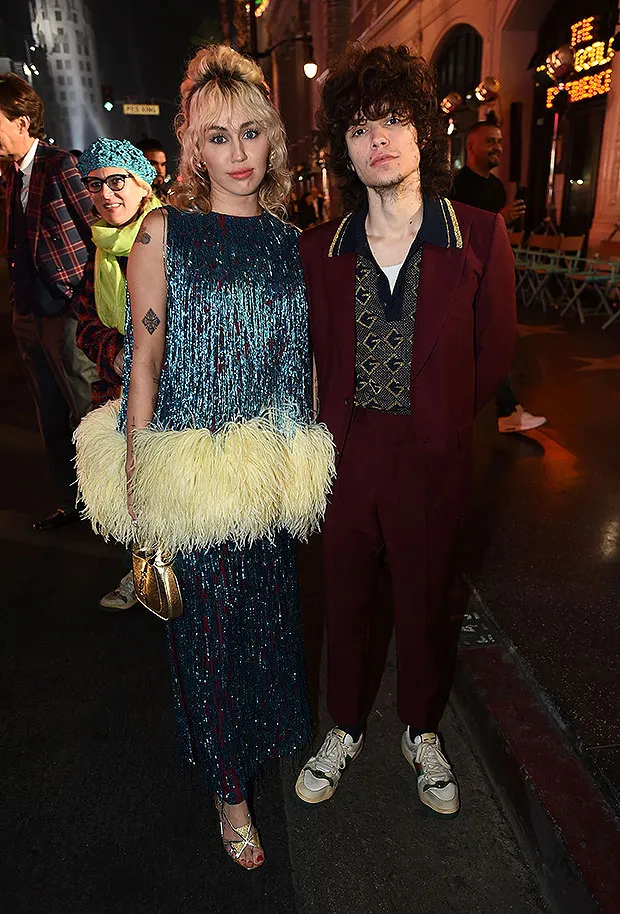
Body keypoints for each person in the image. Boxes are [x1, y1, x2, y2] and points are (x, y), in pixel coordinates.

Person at [74, 45, 335, 869]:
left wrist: (306, 458)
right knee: (211, 642)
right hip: (191, 475)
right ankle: (230, 795)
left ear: (272, 139)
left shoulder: (293, 243)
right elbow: (144, 362)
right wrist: (139, 486)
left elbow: (304, 361)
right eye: (218, 137)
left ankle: (250, 755)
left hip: (265, 475)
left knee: (264, 635)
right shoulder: (164, 233)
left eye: (250, 132)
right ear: (195, 148)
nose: (238, 153)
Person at [295, 44, 516, 817]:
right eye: (359, 128)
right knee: (345, 602)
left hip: (431, 456)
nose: (377, 139)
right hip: (347, 458)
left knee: (425, 602)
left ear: (423, 130)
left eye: (392, 120)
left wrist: (443, 422)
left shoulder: (478, 234)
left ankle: (421, 729)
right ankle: (345, 725)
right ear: (345, 149)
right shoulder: (318, 248)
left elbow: (493, 354)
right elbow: (313, 357)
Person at [0, 72, 96, 530]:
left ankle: (109, 507)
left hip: (66, 312)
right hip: (28, 313)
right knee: (51, 417)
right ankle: (71, 503)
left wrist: (83, 303)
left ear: (21, 122)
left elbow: (97, 233)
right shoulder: (8, 174)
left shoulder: (62, 166)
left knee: (87, 413)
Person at [72, 138, 162, 611]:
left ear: (143, 183)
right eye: (95, 184)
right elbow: (85, 322)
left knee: (171, 482)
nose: (106, 194)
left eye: (117, 181)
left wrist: (150, 354)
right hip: (117, 388)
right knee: (133, 488)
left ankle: (181, 574)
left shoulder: (174, 236)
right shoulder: (100, 250)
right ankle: (143, 570)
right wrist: (115, 353)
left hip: (174, 386)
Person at [451, 121, 546, 434]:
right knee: (475, 344)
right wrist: (500, 219)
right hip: (464, 280)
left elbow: (498, 237)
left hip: (493, 278)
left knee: (491, 342)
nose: (498, 148)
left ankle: (504, 411)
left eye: (500, 142)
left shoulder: (496, 187)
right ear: (471, 147)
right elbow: (459, 236)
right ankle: (504, 411)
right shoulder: (457, 187)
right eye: (490, 141)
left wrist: (508, 223)